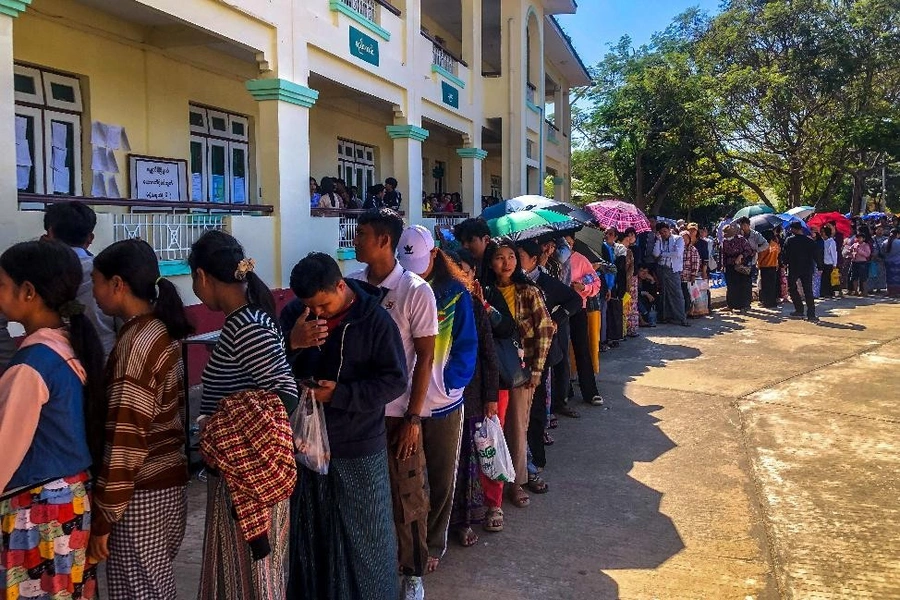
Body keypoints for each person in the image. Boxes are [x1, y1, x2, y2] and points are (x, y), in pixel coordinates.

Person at [280, 252, 406, 600]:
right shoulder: (295, 316)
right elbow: (271, 372)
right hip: (305, 447)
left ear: (340, 286)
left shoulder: (375, 320)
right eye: (311, 307)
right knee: (312, 536)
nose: (317, 314)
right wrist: (293, 343)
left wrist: (342, 395)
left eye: (323, 305)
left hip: (358, 445)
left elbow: (394, 381)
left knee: (365, 539)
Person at [189, 230, 299, 600]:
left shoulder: (248, 326)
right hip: (240, 478)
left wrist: (223, 427)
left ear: (202, 276)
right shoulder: (245, 320)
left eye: (194, 279)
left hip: (249, 481)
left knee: (254, 581)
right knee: (241, 577)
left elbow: (285, 395)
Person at [87, 239, 193, 599]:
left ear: (118, 284)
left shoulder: (137, 345)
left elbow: (126, 437)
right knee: (154, 587)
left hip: (142, 493)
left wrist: (107, 513)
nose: (94, 292)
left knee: (140, 592)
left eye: (97, 281)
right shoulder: (157, 330)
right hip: (167, 485)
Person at [0, 240, 105, 600]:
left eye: (1, 284)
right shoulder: (68, 345)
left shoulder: (32, 367)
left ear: (28, 292)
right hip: (70, 502)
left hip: (38, 508)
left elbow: (3, 453)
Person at [347, 209, 437, 599]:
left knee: (407, 495)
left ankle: (412, 572)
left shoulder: (415, 291)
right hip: (357, 412)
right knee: (363, 497)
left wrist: (414, 417)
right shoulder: (350, 285)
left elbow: (425, 358)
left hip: (398, 413)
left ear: (384, 240)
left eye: (362, 233)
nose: (355, 239)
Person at [395, 225, 477, 573]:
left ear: (433, 254)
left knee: (442, 477)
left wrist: (450, 383)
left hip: (444, 403)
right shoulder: (396, 289)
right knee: (407, 479)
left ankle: (434, 543)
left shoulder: (456, 294)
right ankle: (407, 544)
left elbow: (467, 344)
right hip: (401, 404)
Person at [480, 239, 555, 510]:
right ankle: (493, 489)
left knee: (517, 429)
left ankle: (516, 484)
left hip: (522, 369)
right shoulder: (484, 292)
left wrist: (536, 369)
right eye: (500, 257)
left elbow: (545, 329)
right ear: (490, 262)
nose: (507, 262)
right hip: (493, 370)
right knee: (492, 430)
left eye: (512, 256)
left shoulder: (528, 291)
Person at [517, 239, 581, 490]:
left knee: (535, 408)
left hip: (541, 355)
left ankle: (537, 457)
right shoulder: (513, 283)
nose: (512, 261)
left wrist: (555, 319)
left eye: (518, 256)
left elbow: (573, 300)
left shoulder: (545, 283)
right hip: (518, 355)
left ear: (534, 259)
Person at [449, 248, 500, 542]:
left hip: (471, 395)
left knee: (467, 457)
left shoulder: (474, 305)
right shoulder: (432, 300)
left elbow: (489, 355)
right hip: (437, 397)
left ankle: (464, 519)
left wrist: (490, 395)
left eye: (463, 269)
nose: (457, 274)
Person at [43, 201, 117, 357]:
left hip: (58, 361)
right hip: (105, 359)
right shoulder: (109, 272)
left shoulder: (37, 271)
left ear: (49, 234)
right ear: (90, 238)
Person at [564, 236, 604, 406]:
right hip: (557, 310)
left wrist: (583, 287)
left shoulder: (581, 260)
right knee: (559, 352)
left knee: (582, 349)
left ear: (573, 243)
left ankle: (590, 391)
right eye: (562, 242)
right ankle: (564, 391)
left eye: (568, 242)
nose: (565, 246)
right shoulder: (550, 260)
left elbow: (596, 282)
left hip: (578, 308)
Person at [781, 221, 822, 322]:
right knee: (808, 291)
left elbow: (785, 254)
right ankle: (811, 314)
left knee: (792, 288)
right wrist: (820, 266)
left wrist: (784, 264)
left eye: (791, 229)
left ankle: (799, 308)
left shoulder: (789, 240)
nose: (790, 230)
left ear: (795, 229)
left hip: (794, 268)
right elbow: (816, 254)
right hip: (807, 268)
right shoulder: (809, 241)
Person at [652, 222, 689, 326]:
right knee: (664, 294)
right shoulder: (660, 240)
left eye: (665, 231)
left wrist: (663, 254)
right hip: (661, 269)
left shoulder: (678, 239)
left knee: (677, 294)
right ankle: (666, 317)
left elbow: (677, 253)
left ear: (669, 230)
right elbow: (655, 254)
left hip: (673, 270)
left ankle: (681, 318)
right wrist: (659, 240)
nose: (663, 234)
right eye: (661, 233)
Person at [721, 224, 755, 311]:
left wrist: (741, 256)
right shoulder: (724, 241)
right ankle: (731, 305)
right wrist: (723, 265)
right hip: (730, 265)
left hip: (741, 266)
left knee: (742, 285)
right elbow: (723, 255)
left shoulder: (741, 240)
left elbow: (749, 251)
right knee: (731, 286)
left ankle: (744, 305)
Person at [737, 216, 770, 283]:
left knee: (749, 280)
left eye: (744, 225)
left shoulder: (755, 235)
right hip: (740, 260)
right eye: (741, 226)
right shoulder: (738, 234)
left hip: (751, 260)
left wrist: (757, 250)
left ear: (749, 225)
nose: (743, 228)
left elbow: (766, 245)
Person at [757, 230, 781, 308]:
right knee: (772, 286)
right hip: (773, 267)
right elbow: (777, 255)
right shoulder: (775, 245)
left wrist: (758, 264)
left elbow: (760, 257)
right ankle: (772, 302)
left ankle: (766, 302)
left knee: (765, 286)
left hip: (765, 267)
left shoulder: (764, 246)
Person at [680, 231, 701, 316]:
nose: (685, 240)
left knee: (687, 294)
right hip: (679, 276)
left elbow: (695, 263)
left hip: (688, 276)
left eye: (686, 238)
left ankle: (687, 311)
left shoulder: (693, 249)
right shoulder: (678, 248)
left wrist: (693, 275)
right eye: (683, 239)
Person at [848, 229, 873, 296]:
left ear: (863, 238)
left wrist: (859, 251)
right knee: (854, 277)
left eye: (860, 238)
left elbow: (867, 254)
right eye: (857, 237)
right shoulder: (854, 244)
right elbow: (849, 250)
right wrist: (850, 251)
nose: (858, 239)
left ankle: (864, 291)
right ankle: (855, 291)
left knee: (863, 278)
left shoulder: (866, 245)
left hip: (862, 262)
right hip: (854, 262)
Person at [881, 228, 900, 297]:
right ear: (897, 234)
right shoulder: (899, 242)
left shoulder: (885, 242)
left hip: (888, 262)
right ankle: (897, 292)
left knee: (889, 278)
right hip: (898, 263)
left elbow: (882, 252)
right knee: (897, 278)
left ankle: (890, 291)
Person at [822, 226, 838, 299]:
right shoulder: (823, 241)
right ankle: (825, 292)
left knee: (829, 279)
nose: (821, 233)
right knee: (825, 278)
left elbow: (834, 253)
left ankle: (830, 292)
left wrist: (834, 264)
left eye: (823, 232)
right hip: (824, 262)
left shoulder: (831, 242)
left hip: (829, 263)